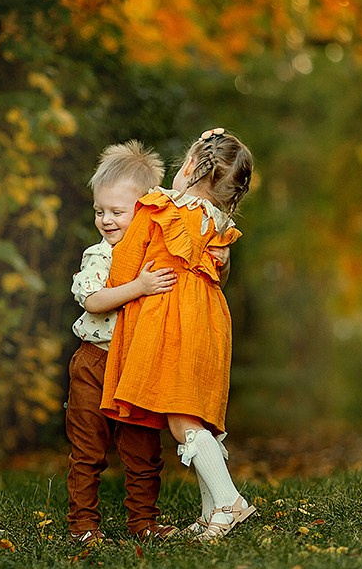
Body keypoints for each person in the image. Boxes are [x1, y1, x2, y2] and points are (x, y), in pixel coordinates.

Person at [100, 127, 255, 541]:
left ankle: (229, 503)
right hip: (210, 324)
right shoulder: (218, 225)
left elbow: (123, 268)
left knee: (182, 419)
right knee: (196, 413)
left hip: (173, 326)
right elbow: (217, 275)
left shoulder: (158, 208)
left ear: (188, 167)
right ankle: (210, 513)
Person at [65, 139, 180, 545]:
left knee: (143, 451)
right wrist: (140, 286)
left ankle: (143, 522)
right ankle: (83, 525)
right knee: (88, 449)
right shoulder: (99, 255)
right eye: (100, 211)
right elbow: (94, 300)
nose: (106, 220)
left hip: (134, 366)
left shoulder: (154, 252)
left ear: (145, 208)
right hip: (94, 363)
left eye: (117, 212)